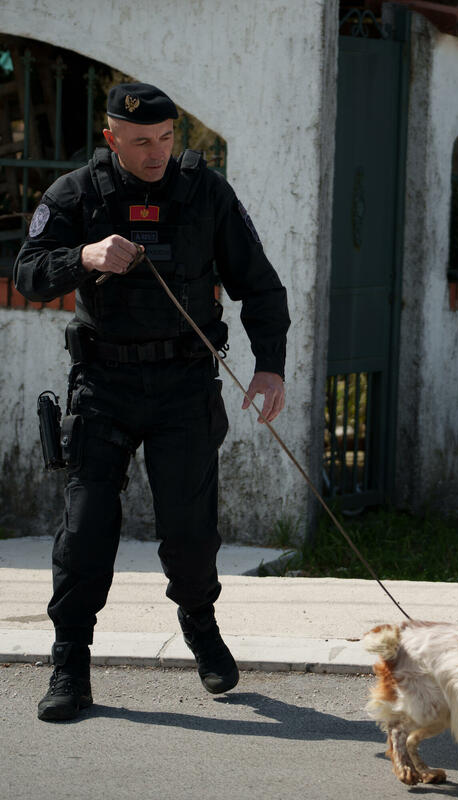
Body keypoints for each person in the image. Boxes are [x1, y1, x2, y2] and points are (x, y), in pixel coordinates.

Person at [14, 82, 290, 721]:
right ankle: (70, 664)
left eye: (166, 139)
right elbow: (27, 271)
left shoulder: (206, 193)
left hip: (184, 388)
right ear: (111, 138)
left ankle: (200, 625)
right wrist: (83, 255)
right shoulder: (76, 194)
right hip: (103, 387)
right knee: (85, 532)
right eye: (140, 141)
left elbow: (262, 287)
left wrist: (269, 370)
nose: (156, 152)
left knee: (189, 535)